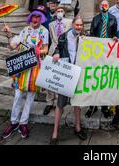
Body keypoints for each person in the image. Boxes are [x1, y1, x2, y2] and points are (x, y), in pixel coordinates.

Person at [2, 10, 49, 139]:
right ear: (30, 18)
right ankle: (13, 122)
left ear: (41, 19)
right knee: (18, 96)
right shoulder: (24, 31)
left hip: (35, 68)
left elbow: (46, 48)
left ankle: (23, 123)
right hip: (22, 68)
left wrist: (38, 50)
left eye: (38, 17)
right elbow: (13, 46)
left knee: (30, 97)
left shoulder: (44, 31)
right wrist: (9, 34)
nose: (35, 19)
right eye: (34, 17)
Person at [50, 16, 87, 145]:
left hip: (78, 74)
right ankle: (55, 133)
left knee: (77, 103)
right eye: (77, 25)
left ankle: (77, 128)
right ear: (72, 25)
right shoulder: (64, 36)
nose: (79, 27)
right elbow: (58, 48)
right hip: (66, 74)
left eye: (81, 25)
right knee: (60, 104)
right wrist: (56, 53)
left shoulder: (84, 38)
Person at [86, 0, 118, 119]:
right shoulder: (95, 19)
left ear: (109, 7)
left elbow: (115, 34)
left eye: (106, 5)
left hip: (108, 52)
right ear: (100, 7)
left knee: (105, 79)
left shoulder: (113, 19)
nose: (104, 6)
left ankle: (104, 107)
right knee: (94, 79)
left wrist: (115, 38)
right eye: (102, 5)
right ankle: (92, 106)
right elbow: (92, 34)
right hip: (97, 52)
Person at [43, 6, 72, 116]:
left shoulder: (69, 22)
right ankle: (49, 102)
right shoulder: (51, 25)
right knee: (50, 77)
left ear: (64, 13)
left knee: (61, 76)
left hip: (64, 50)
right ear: (55, 13)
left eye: (61, 11)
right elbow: (51, 38)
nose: (59, 13)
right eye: (57, 11)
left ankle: (60, 103)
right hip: (52, 51)